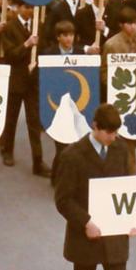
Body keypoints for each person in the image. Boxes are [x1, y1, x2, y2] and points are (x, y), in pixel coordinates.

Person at [54, 104, 132, 270]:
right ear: (95, 126)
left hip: (115, 232)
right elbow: (63, 200)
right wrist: (86, 222)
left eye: (116, 132)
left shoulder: (121, 149)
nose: (113, 137)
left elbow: (128, 189)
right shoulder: (73, 156)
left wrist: (134, 219)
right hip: (85, 234)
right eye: (109, 132)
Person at [0, 0, 50, 177]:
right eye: (26, 7)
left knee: (34, 121)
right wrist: (27, 45)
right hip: (16, 79)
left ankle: (38, 160)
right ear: (19, 8)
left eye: (32, 7)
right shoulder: (10, 27)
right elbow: (10, 54)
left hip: (33, 80)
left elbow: (45, 50)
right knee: (11, 119)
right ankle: (7, 150)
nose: (29, 11)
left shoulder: (39, 26)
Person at [102, 7, 136, 175]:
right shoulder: (111, 44)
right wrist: (114, 86)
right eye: (129, 24)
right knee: (125, 138)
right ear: (121, 25)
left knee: (134, 135)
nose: (133, 27)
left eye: (135, 23)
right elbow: (103, 71)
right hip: (119, 96)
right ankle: (129, 173)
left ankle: (123, 165)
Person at [42, 20, 84, 182]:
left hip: (76, 104)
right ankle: (57, 178)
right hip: (56, 105)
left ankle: (66, 177)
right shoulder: (48, 54)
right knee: (61, 144)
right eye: (65, 36)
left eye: (71, 35)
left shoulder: (81, 53)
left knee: (74, 142)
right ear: (58, 37)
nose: (69, 39)